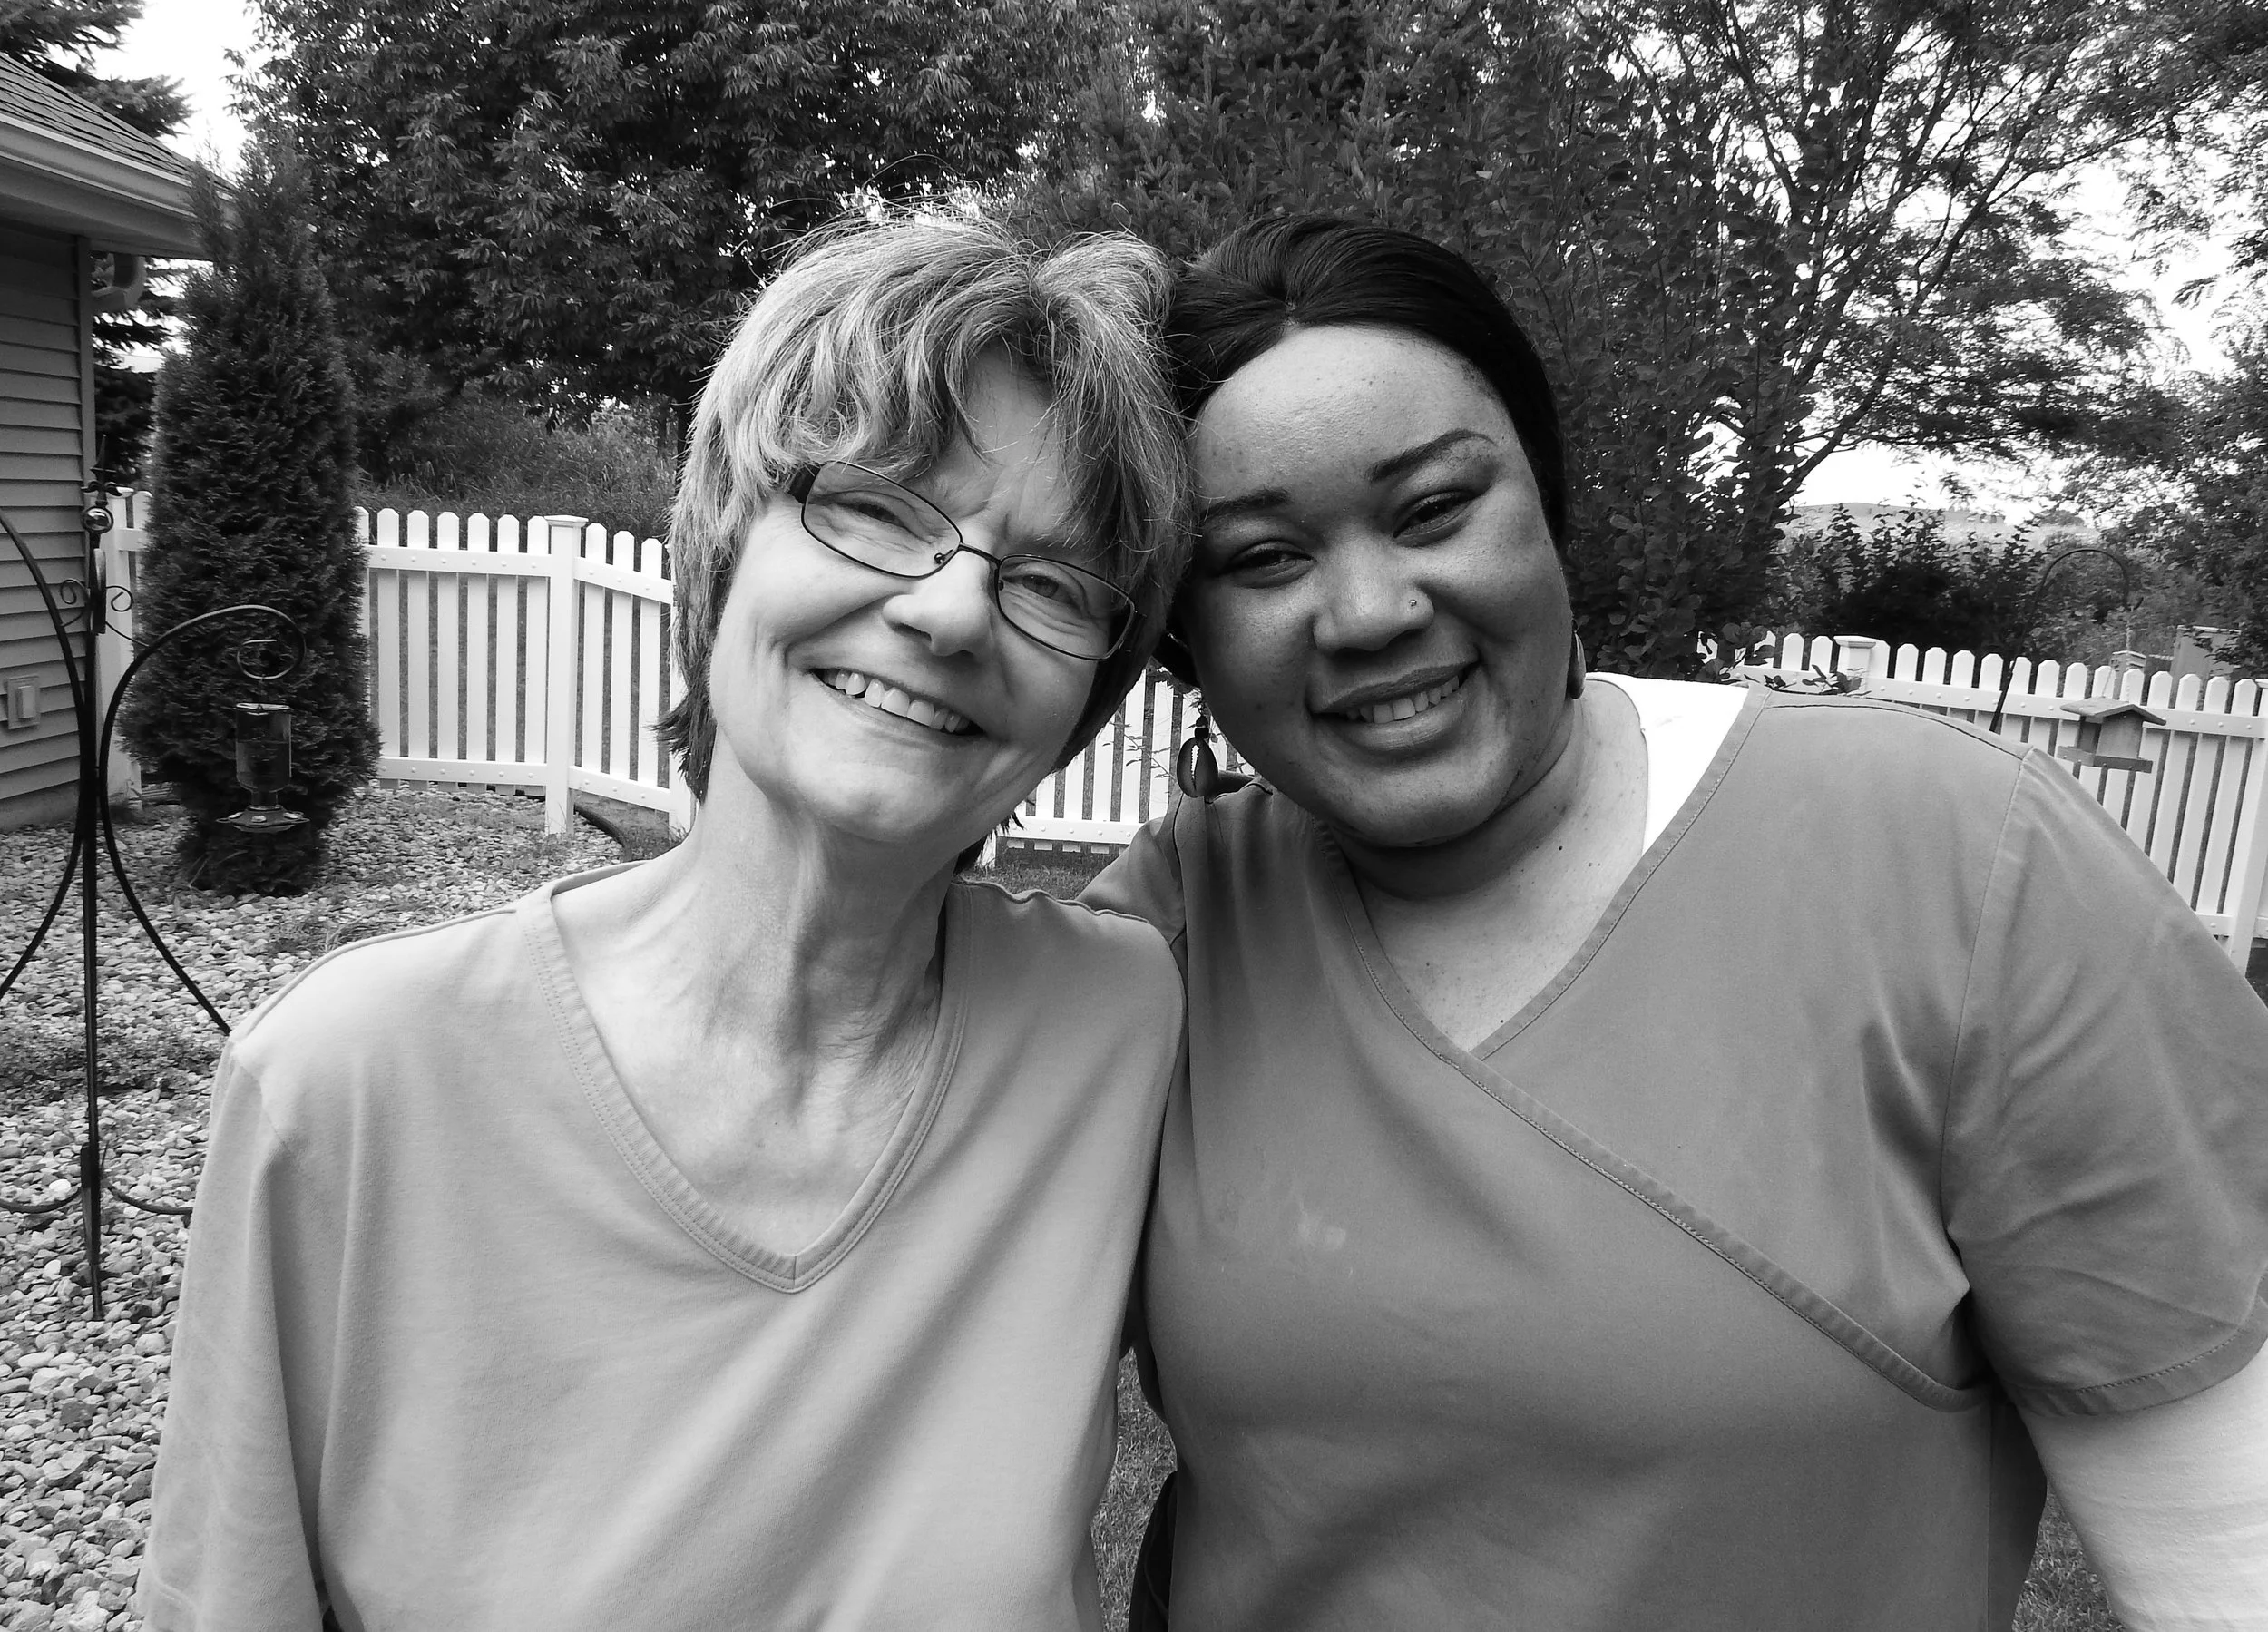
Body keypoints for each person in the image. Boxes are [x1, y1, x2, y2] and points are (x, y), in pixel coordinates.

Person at [1090, 214, 2268, 1631]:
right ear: (1182, 633)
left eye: (1433, 509)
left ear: (1546, 503)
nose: (1369, 611)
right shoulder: (1163, 941)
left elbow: (2228, 1554)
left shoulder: (1961, 866)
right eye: (1263, 559)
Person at [140, 212, 1193, 1630]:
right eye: (879, 505)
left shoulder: (1114, 1029)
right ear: (721, 546)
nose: (952, 610)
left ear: (1087, 699)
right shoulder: (350, 1089)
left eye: (1052, 584)